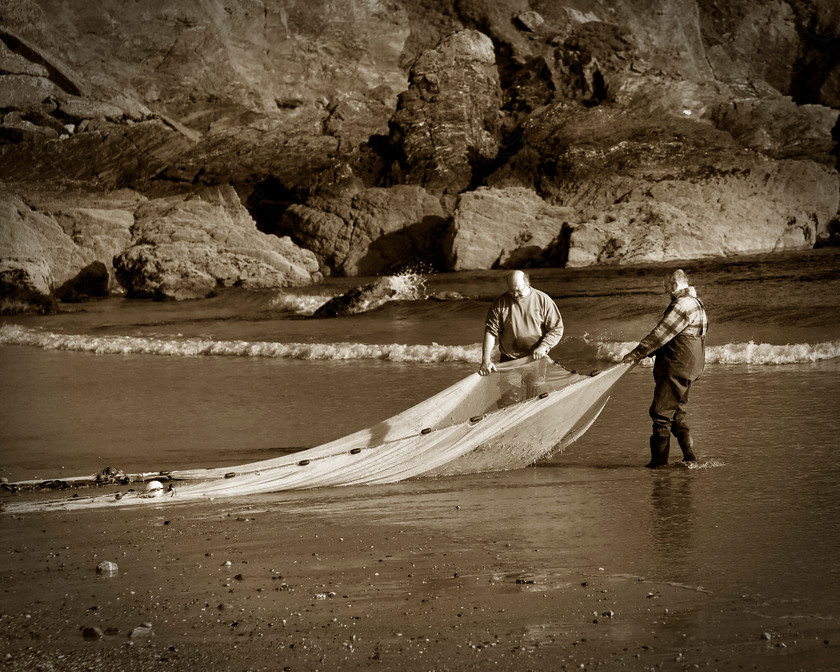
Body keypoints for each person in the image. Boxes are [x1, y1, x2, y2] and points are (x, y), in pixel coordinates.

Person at [622, 269, 708, 468]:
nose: (665, 290)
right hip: (690, 367)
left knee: (660, 413)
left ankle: (659, 464)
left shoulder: (682, 305)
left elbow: (660, 335)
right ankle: (690, 458)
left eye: (666, 286)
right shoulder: (697, 303)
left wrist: (635, 354)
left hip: (677, 366)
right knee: (676, 412)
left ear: (675, 285)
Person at [479, 270, 564, 376]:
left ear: (527, 284)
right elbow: (490, 333)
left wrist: (544, 346)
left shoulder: (543, 300)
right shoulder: (499, 303)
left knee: (535, 391)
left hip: (535, 358)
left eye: (519, 290)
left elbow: (556, 328)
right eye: (511, 291)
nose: (515, 294)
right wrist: (486, 360)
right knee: (508, 392)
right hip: (508, 359)